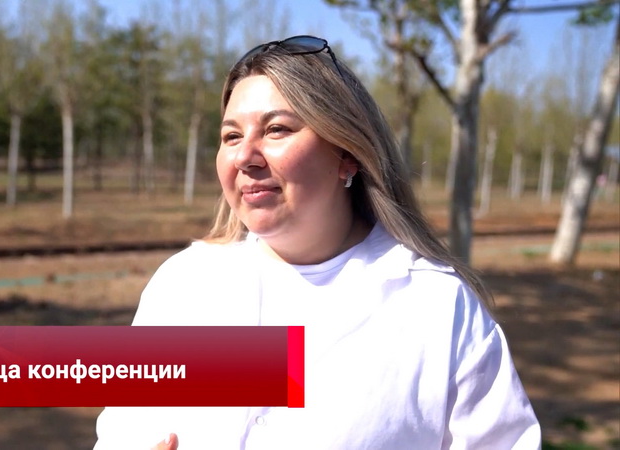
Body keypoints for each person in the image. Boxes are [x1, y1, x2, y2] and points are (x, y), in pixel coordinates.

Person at [94, 35, 540, 450]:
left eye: (276, 129)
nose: (245, 156)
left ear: (347, 153)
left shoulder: (439, 306)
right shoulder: (183, 283)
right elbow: (120, 433)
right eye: (231, 136)